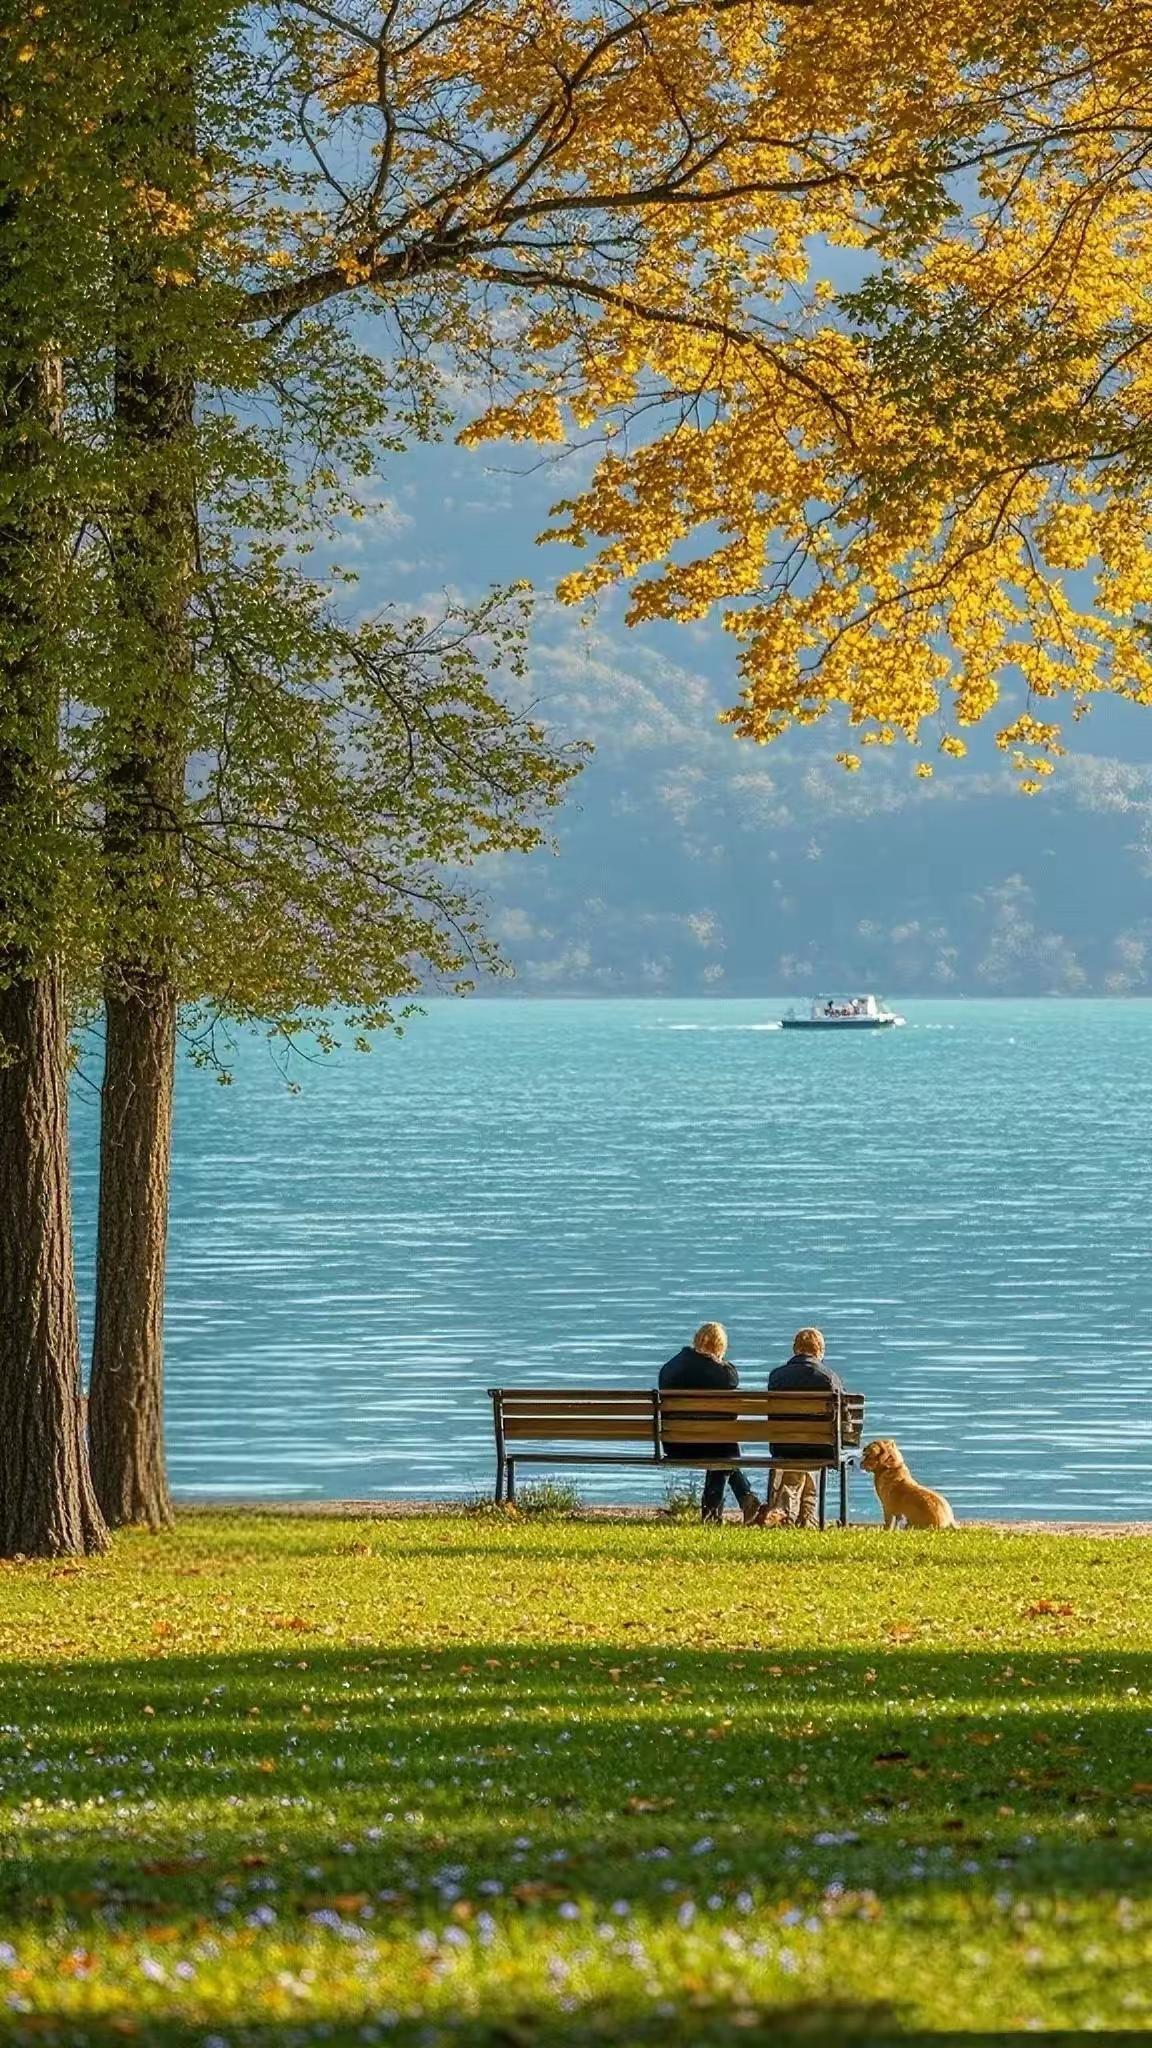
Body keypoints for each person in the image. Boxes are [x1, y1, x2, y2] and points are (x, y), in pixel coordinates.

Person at [659, 1322, 761, 1524]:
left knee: (721, 1446)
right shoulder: (723, 1374)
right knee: (724, 1449)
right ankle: (735, 1501)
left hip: (675, 1444)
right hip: (713, 1445)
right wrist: (720, 1362)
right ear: (720, 1347)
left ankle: (721, 1511)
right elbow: (733, 1382)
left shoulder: (670, 1368)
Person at [760, 1326, 844, 1529]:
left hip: (782, 1446)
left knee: (798, 1444)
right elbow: (845, 1420)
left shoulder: (777, 1376)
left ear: (795, 1349)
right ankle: (804, 1515)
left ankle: (792, 1513)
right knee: (811, 1444)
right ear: (820, 1351)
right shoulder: (828, 1378)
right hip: (820, 1448)